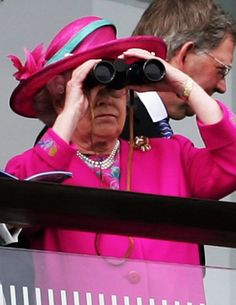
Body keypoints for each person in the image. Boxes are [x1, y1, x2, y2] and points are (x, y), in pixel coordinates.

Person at [3, 15, 236, 304]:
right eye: (92, 85)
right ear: (59, 94)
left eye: (116, 84)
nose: (107, 97)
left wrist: (183, 85)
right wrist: (71, 110)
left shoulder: (172, 155)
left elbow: (232, 159)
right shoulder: (36, 167)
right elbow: (23, 199)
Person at [121, 0, 236, 139]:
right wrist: (188, 88)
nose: (222, 87)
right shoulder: (115, 132)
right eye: (222, 70)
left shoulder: (142, 126)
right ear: (184, 56)